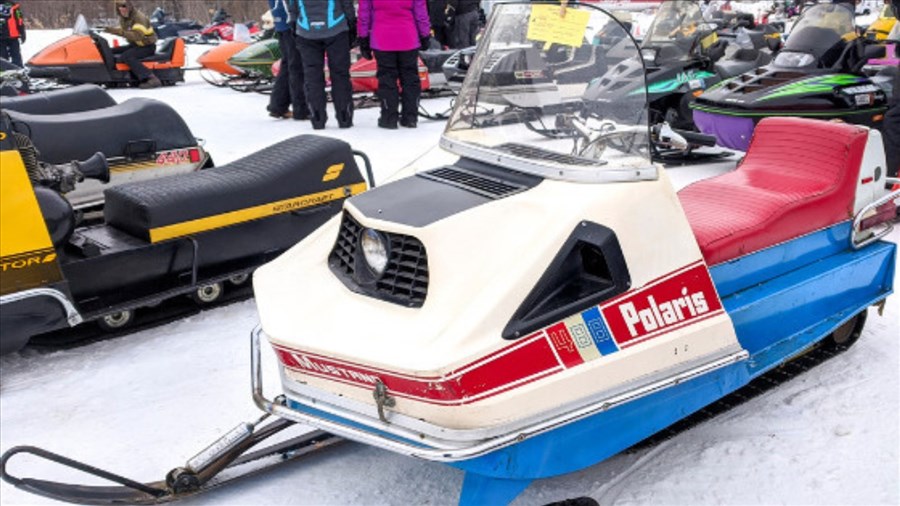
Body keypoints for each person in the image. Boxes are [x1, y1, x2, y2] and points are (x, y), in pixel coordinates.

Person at [358, 0, 431, 129]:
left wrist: (363, 38)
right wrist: (425, 34)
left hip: (382, 38)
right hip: (408, 36)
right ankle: (410, 118)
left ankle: (389, 118)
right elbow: (420, 12)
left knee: (387, 80)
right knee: (410, 79)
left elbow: (364, 13)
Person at [290, 0, 356, 129]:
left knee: (312, 77)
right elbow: (347, 4)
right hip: (337, 28)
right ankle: (344, 118)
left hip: (306, 30)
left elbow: (292, 6)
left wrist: (294, 24)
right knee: (340, 75)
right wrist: (352, 25)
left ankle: (317, 119)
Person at [267, 0, 308, 120]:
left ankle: (278, 105)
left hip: (281, 21)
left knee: (288, 65)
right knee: (297, 66)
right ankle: (301, 109)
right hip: (290, 22)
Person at [105, 0, 161, 89]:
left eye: (124, 6)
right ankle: (113, 76)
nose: (122, 9)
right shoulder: (126, 18)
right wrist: (108, 29)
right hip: (137, 45)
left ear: (129, 6)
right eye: (120, 7)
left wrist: (116, 31)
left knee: (127, 56)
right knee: (111, 51)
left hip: (147, 46)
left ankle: (151, 78)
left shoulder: (138, 18)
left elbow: (137, 36)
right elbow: (126, 30)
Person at [0, 1, 25, 67]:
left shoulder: (14, 5)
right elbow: (19, 20)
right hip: (10, 35)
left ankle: (18, 69)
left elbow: (19, 20)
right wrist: (22, 31)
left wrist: (22, 32)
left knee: (14, 55)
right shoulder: (14, 5)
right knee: (5, 57)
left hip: (12, 35)